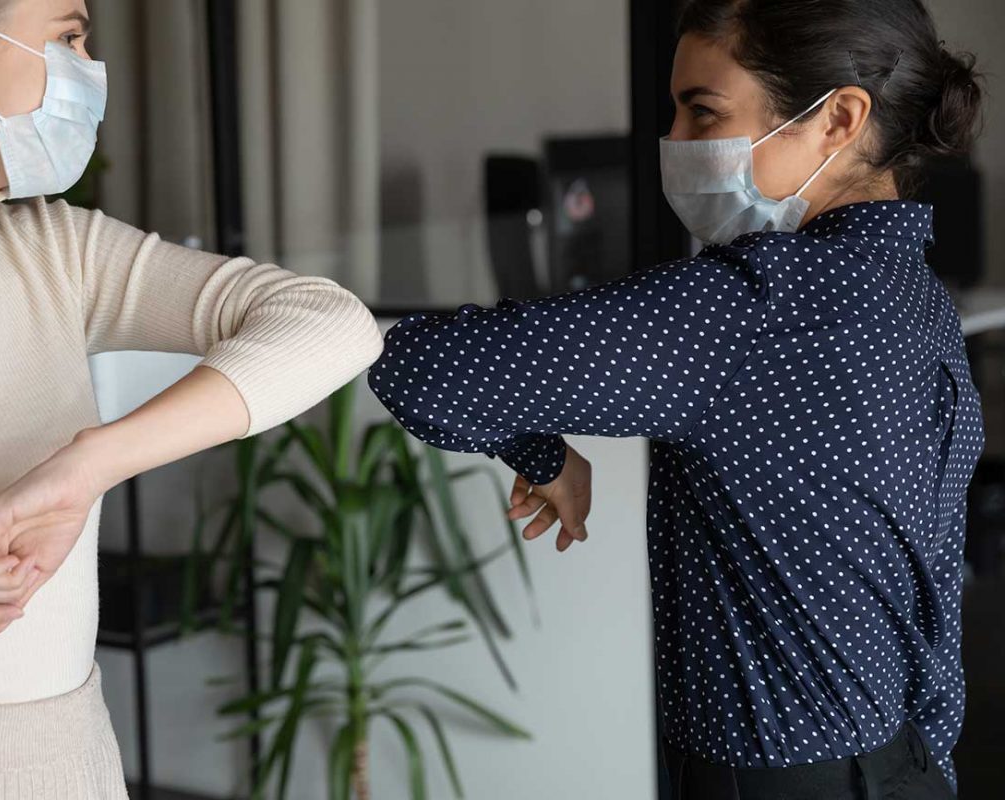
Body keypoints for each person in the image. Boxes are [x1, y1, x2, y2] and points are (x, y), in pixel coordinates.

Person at [367, 0, 986, 798]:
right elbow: (936, 593)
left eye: (703, 112)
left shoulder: (750, 309)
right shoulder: (917, 294)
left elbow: (419, 366)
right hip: (906, 766)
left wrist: (543, 455)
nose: (676, 143)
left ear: (838, 117)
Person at [0, 0, 383, 795]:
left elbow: (333, 323)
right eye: (68, 35)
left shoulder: (56, 252)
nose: (87, 66)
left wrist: (90, 465)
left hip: (78, 765)